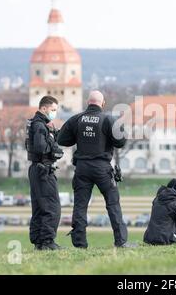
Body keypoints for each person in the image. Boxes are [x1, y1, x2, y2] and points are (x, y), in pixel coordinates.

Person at [57, 90, 130, 248]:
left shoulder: (76, 119)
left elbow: (62, 139)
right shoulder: (108, 120)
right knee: (112, 204)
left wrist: (79, 137)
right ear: (102, 104)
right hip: (102, 168)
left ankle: (79, 243)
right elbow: (121, 142)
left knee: (80, 205)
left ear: (87, 103)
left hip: (82, 168)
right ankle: (121, 241)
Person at [26, 95, 64, 250]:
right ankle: (48, 241)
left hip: (36, 169)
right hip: (44, 170)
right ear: (43, 108)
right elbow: (42, 148)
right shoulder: (40, 126)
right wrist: (55, 149)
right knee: (52, 207)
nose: (54, 113)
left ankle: (39, 242)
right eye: (53, 110)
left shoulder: (35, 124)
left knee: (39, 207)